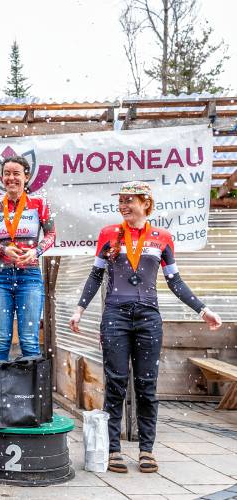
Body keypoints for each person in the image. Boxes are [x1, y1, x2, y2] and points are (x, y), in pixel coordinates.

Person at [69, 181, 222, 474]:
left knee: (147, 386)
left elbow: (175, 281)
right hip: (115, 316)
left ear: (146, 204)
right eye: (121, 201)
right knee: (115, 383)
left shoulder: (162, 237)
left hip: (148, 317)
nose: (124, 205)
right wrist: (79, 310)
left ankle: (146, 449)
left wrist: (203, 310)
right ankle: (113, 449)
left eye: (130, 200)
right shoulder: (108, 234)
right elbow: (95, 276)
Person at [0, 156, 55, 366]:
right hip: (0, 277)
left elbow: (51, 235)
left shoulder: (39, 203)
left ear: (26, 176)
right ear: (1, 176)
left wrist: (36, 251)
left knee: (29, 341)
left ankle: (31, 397)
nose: (11, 178)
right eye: (7, 173)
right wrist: (4, 248)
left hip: (29, 276)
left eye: (16, 173)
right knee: (1, 340)